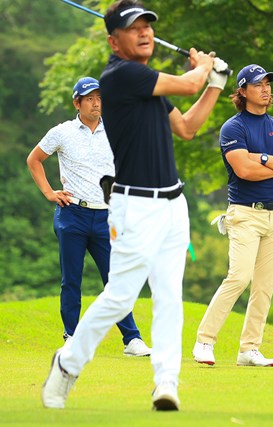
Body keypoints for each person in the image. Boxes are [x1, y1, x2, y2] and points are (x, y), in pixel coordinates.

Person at [42, 0, 228, 411]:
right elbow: (187, 84)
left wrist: (214, 83)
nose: (145, 32)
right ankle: (67, 364)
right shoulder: (120, 76)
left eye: (148, 25)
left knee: (168, 295)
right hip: (134, 206)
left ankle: (166, 383)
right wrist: (204, 66)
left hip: (173, 204)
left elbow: (187, 127)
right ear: (114, 41)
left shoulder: (149, 85)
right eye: (134, 27)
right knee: (120, 296)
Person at [27, 77, 151, 357]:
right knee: (71, 280)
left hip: (106, 216)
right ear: (77, 103)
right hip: (72, 214)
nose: (96, 103)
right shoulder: (62, 132)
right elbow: (34, 159)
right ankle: (71, 336)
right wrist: (49, 192)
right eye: (90, 98)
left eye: (99, 98)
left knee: (115, 279)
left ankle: (132, 339)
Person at [192, 64, 273, 367]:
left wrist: (264, 158)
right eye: (258, 84)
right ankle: (204, 341)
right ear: (242, 91)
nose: (266, 89)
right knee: (239, 277)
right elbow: (244, 170)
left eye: (268, 83)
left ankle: (249, 349)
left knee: (264, 286)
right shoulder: (234, 127)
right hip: (244, 214)